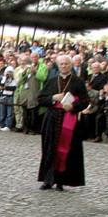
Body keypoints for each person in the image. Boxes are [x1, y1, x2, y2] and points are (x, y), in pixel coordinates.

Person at [37, 55, 88, 191]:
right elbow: (41, 99)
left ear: (71, 65)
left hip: (69, 120)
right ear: (58, 66)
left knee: (67, 151)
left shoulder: (78, 82)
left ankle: (61, 181)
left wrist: (73, 107)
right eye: (61, 64)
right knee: (49, 150)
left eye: (66, 64)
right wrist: (53, 98)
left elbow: (85, 101)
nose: (64, 66)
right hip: (52, 119)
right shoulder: (52, 81)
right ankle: (48, 180)